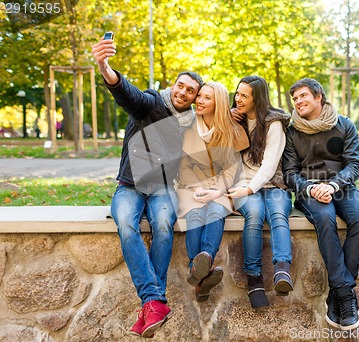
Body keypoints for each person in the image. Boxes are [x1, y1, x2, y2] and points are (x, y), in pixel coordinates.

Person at [91, 38, 204, 338]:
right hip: (129, 186)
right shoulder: (152, 103)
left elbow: (217, 121)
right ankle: (154, 299)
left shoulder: (190, 123)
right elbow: (127, 94)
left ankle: (152, 306)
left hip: (162, 188)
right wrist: (104, 66)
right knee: (127, 224)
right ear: (173, 85)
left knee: (164, 224)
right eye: (180, 85)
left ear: (194, 98)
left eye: (190, 91)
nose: (183, 92)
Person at [282, 78, 359, 331]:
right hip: (309, 191)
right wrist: (311, 188)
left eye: (303, 96)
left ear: (318, 96)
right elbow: (290, 172)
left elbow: (355, 164)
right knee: (324, 218)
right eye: (295, 98)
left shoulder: (344, 125)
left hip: (342, 187)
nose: (298, 102)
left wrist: (333, 185)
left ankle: (338, 292)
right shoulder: (292, 132)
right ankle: (346, 297)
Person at [176, 82, 249, 302]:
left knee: (216, 210)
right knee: (196, 214)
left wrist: (217, 190)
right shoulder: (188, 127)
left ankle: (203, 260)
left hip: (222, 187)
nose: (199, 100)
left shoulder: (232, 130)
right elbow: (183, 166)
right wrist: (198, 188)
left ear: (218, 103)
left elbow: (232, 168)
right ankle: (202, 272)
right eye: (199, 96)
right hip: (192, 186)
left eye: (207, 98)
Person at [226, 76, 293, 310]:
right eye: (237, 93)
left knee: (277, 214)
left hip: (272, 183)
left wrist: (250, 188)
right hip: (243, 184)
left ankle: (282, 270)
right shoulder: (235, 119)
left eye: (245, 95)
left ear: (258, 98)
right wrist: (228, 118)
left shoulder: (274, 124)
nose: (238, 99)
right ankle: (254, 279)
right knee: (254, 215)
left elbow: (270, 164)